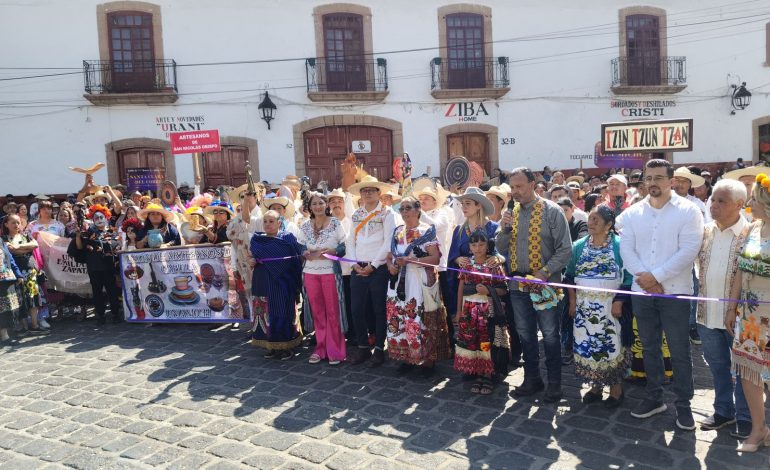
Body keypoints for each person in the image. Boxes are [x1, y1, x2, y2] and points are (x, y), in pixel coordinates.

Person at [619, 159, 704, 430]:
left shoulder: (689, 211)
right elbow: (626, 250)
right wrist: (647, 280)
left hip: (675, 293)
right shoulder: (633, 213)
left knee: (679, 351)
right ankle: (655, 397)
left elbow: (688, 250)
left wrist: (655, 277)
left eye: (658, 177)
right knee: (649, 346)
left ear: (671, 181)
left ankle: (684, 405)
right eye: (649, 177)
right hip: (642, 292)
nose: (652, 182)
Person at [497, 167, 572, 402]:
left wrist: (544, 272)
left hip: (546, 285)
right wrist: (504, 229)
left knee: (550, 335)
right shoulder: (511, 212)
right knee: (525, 334)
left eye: (519, 186)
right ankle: (532, 378)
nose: (515, 191)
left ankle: (555, 384)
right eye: (512, 187)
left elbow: (565, 249)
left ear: (533, 184)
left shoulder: (552, 211)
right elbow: (500, 248)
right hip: (518, 286)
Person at [695, 179, 751, 438]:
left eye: (721, 201)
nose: (714, 205)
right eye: (713, 200)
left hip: (740, 316)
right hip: (707, 313)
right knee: (717, 366)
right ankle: (723, 411)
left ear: (739, 204)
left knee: (744, 368)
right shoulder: (705, 231)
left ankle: (746, 416)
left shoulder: (752, 233)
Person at [565, 206, 631, 407]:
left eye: (596, 220)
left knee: (612, 346)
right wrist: (573, 302)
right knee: (588, 345)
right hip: (584, 308)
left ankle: (616, 390)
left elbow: (629, 277)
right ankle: (595, 387)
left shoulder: (620, 246)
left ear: (608, 225)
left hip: (610, 308)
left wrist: (619, 301)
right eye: (590, 219)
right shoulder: (579, 246)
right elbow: (569, 276)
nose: (591, 223)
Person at [726, 172, 770, 451]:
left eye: (753, 199)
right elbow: (740, 272)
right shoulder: (751, 229)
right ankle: (758, 429)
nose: (749, 203)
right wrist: (732, 307)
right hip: (751, 316)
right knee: (750, 373)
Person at [385, 196, 450, 376]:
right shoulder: (398, 231)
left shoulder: (426, 231)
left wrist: (412, 260)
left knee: (420, 317)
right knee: (399, 316)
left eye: (408, 208)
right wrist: (390, 266)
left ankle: (428, 360)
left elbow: (435, 258)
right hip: (398, 281)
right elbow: (389, 255)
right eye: (402, 209)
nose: (405, 212)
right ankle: (407, 357)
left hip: (418, 279)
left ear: (418, 209)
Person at [346, 176, 396, 367]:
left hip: (379, 269)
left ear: (379, 193)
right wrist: (353, 264)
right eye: (364, 190)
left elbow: (388, 241)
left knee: (379, 309)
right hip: (358, 267)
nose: (367, 193)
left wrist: (373, 265)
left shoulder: (387, 213)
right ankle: (363, 347)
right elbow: (350, 241)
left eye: (371, 190)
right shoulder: (356, 214)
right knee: (357, 309)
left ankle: (380, 349)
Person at [454, 228, 509, 394]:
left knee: (487, 341)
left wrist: (488, 291)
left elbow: (503, 289)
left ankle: (488, 374)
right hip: (469, 310)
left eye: (481, 244)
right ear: (469, 247)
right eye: (474, 245)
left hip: (488, 312)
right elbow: (461, 288)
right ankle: (478, 372)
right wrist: (458, 311)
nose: (477, 248)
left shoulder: (494, 265)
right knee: (473, 341)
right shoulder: (466, 264)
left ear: (487, 246)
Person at [297, 193, 347, 365]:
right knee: (317, 312)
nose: (318, 206)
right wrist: (304, 252)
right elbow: (299, 245)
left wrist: (334, 251)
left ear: (326, 205)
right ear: (310, 207)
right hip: (310, 273)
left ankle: (335, 350)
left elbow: (344, 245)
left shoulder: (336, 223)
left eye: (321, 203)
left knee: (333, 311)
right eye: (314, 204)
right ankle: (320, 349)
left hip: (330, 272)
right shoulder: (305, 225)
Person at [250, 210, 304, 360]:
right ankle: (271, 346)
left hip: (282, 282)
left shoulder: (287, 238)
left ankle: (285, 347)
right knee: (264, 311)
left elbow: (296, 259)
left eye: (271, 221)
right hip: (262, 279)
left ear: (279, 223)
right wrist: (250, 260)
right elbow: (251, 256)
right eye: (265, 221)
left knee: (282, 311)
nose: (267, 224)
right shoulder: (257, 239)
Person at [69, 205, 123, 325]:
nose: (99, 219)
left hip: (109, 267)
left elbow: (117, 247)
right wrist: (78, 235)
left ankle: (115, 314)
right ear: (93, 220)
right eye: (96, 218)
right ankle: (101, 315)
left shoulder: (112, 232)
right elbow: (79, 247)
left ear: (106, 217)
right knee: (97, 292)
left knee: (112, 291)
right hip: (94, 267)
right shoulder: (88, 233)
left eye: (101, 217)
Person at [3, 214, 48, 333]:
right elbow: (10, 251)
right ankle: (24, 327)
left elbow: (35, 245)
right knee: (19, 298)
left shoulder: (26, 235)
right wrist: (26, 248)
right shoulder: (4, 238)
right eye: (13, 222)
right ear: (6, 224)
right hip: (15, 272)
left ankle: (34, 325)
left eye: (18, 222)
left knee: (32, 297)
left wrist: (18, 246)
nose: (16, 225)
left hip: (29, 270)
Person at [0, 238, 23, 344]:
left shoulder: (0, 241)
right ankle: (4, 335)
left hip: (6, 279)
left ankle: (6, 333)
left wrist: (18, 274)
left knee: (8, 307)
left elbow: (9, 257)